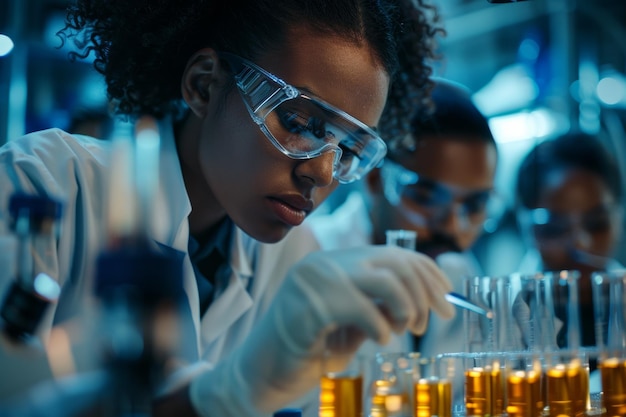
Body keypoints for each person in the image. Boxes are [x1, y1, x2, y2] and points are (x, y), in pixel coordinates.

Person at [0, 1, 457, 416]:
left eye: (352, 148)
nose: (321, 172)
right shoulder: (44, 181)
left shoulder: (296, 259)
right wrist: (222, 394)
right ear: (203, 85)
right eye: (299, 122)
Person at [307, 79, 498, 357]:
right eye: (425, 198)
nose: (452, 226)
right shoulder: (312, 259)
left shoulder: (459, 272)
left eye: (473, 205)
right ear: (374, 179)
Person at [515, 131, 624, 352]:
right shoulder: (499, 314)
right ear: (525, 225)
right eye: (555, 229)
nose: (580, 244)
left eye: (597, 223)